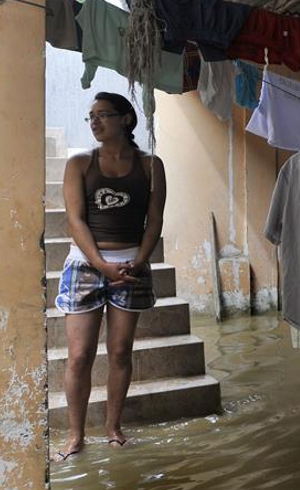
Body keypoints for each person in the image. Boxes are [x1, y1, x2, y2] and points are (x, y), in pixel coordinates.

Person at [53, 92, 166, 461]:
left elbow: (154, 221)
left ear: (126, 119)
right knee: (79, 355)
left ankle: (113, 429)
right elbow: (75, 220)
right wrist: (101, 264)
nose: (95, 122)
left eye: (103, 115)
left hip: (132, 265)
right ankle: (75, 436)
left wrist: (140, 261)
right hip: (86, 265)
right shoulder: (80, 164)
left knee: (120, 351)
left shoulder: (150, 165)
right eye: (91, 117)